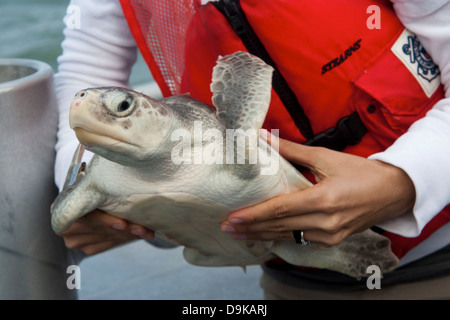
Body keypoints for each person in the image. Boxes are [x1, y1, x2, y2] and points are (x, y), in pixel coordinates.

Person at [53, 0, 450, 299]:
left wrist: (404, 180)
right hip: (278, 265)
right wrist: (87, 183)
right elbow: (86, 68)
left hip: (437, 253)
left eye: (121, 109)